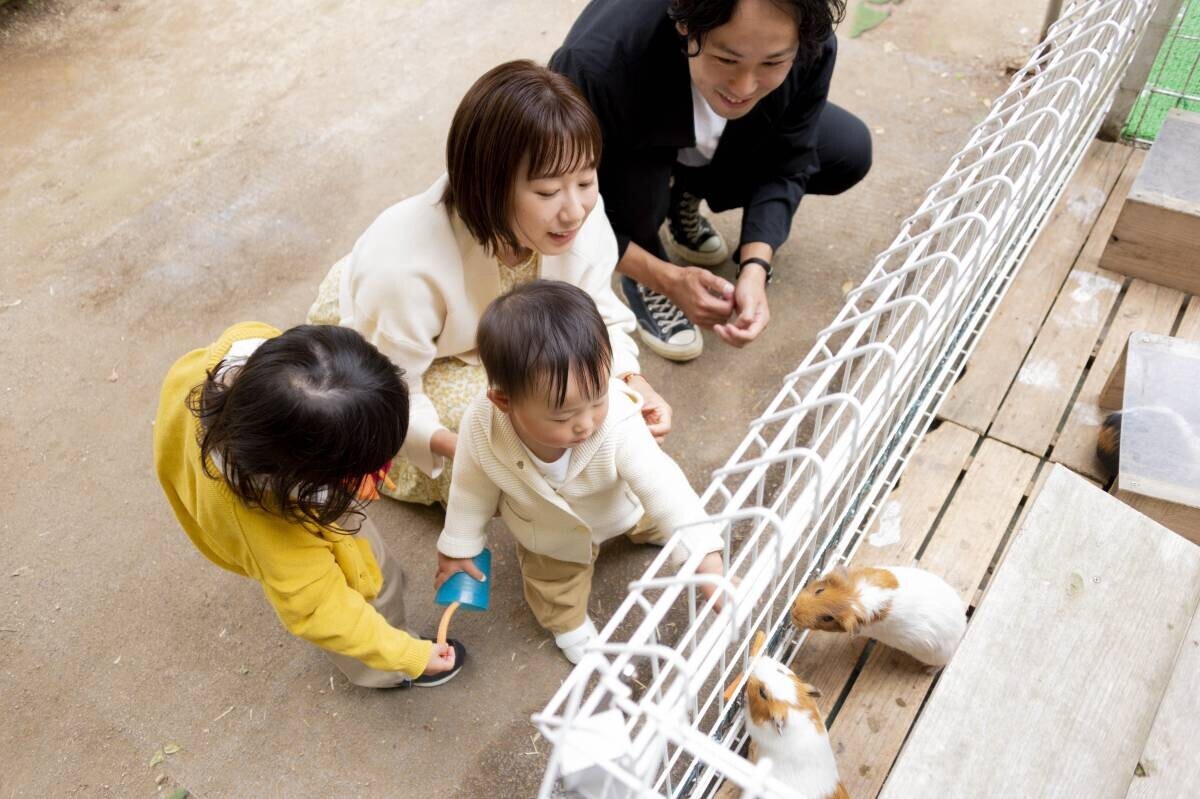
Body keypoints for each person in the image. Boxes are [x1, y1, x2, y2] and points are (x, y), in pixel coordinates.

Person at [308, 60, 670, 507]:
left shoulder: (573, 218)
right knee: (518, 433)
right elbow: (389, 385)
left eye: (586, 180)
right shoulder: (403, 266)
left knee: (580, 412)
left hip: (496, 338)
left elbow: (595, 310)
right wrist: (455, 446)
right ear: (486, 185)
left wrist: (633, 381)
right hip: (396, 347)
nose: (575, 209)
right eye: (547, 192)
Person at [551, 0, 871, 361]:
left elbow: (789, 160)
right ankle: (645, 266)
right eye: (726, 59)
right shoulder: (595, 63)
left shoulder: (812, 40)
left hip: (712, 139)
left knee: (848, 150)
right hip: (630, 138)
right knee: (630, 203)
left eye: (773, 62)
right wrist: (667, 279)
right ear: (685, 25)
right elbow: (557, 205)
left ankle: (684, 194)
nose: (744, 86)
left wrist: (755, 267)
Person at [153, 322, 464, 688]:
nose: (383, 469)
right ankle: (384, 673)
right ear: (314, 477)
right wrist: (408, 656)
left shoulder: (260, 357)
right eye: (369, 465)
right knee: (360, 596)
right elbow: (319, 608)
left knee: (369, 568)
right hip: (280, 517)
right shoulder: (269, 528)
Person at [434, 281, 727, 663]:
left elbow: (663, 484)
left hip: (620, 503)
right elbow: (470, 487)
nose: (585, 424)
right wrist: (459, 546)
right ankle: (568, 626)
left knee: (654, 516)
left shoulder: (618, 419)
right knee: (553, 585)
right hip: (546, 533)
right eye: (563, 415)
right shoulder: (481, 426)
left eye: (597, 400)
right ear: (504, 401)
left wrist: (705, 558)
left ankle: (664, 537)